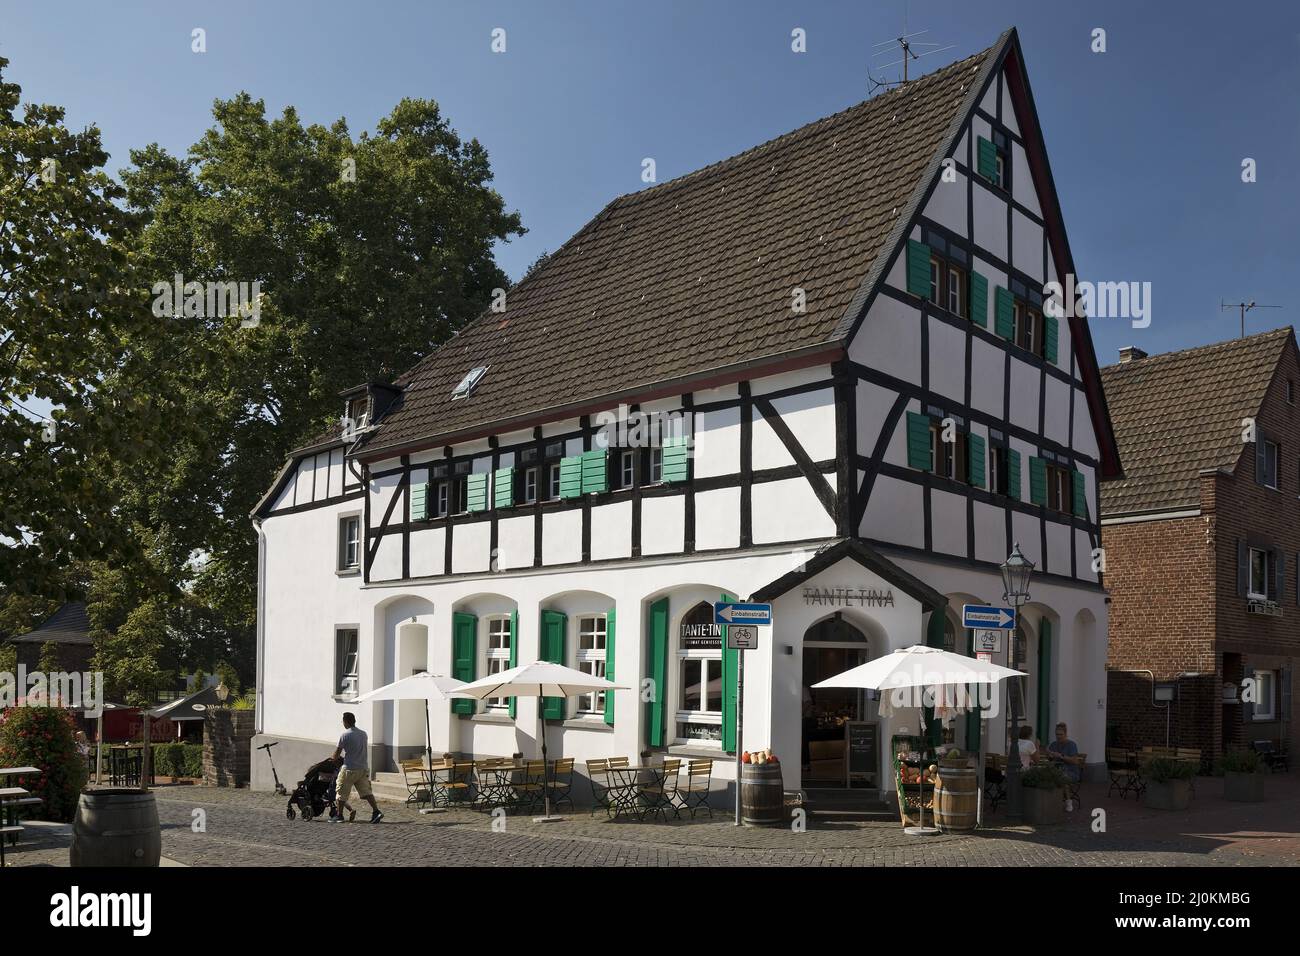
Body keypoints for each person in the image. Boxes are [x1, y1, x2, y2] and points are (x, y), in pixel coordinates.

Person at [331, 712, 383, 823]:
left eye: (343, 721)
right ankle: (376, 811)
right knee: (367, 792)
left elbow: (336, 754)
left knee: (340, 791)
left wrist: (332, 759)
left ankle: (339, 815)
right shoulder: (363, 734)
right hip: (362, 768)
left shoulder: (344, 735)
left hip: (349, 768)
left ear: (345, 721)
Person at [1045, 721, 1083, 811]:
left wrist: (1061, 756)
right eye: (1057, 734)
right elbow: (1050, 759)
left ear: (1065, 734)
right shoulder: (1054, 744)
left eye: (1061, 734)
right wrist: (1050, 756)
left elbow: (1075, 761)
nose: (1058, 736)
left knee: (1062, 777)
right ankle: (1050, 800)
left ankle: (1068, 802)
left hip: (1071, 771)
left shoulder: (1071, 744)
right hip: (1057, 769)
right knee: (1046, 775)